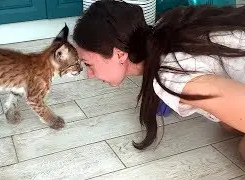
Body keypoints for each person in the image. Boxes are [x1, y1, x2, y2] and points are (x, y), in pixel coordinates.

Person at [72, 0, 245, 158]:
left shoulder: (172, 75)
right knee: (227, 124)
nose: (89, 75)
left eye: (88, 64)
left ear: (119, 54)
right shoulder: (162, 27)